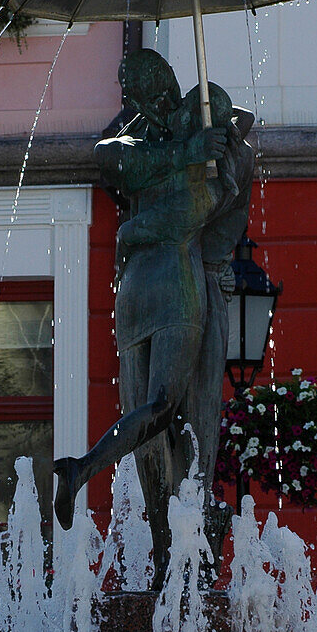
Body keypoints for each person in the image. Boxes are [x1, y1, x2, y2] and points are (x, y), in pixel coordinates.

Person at [53, 50, 254, 586]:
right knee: (166, 409)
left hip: (148, 287)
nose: (159, 105)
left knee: (169, 417)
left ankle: (170, 554)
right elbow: (121, 164)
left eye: (165, 95)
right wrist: (195, 153)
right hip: (172, 289)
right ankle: (87, 471)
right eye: (151, 97)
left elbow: (221, 207)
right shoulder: (136, 149)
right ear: (138, 101)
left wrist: (225, 155)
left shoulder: (198, 156)